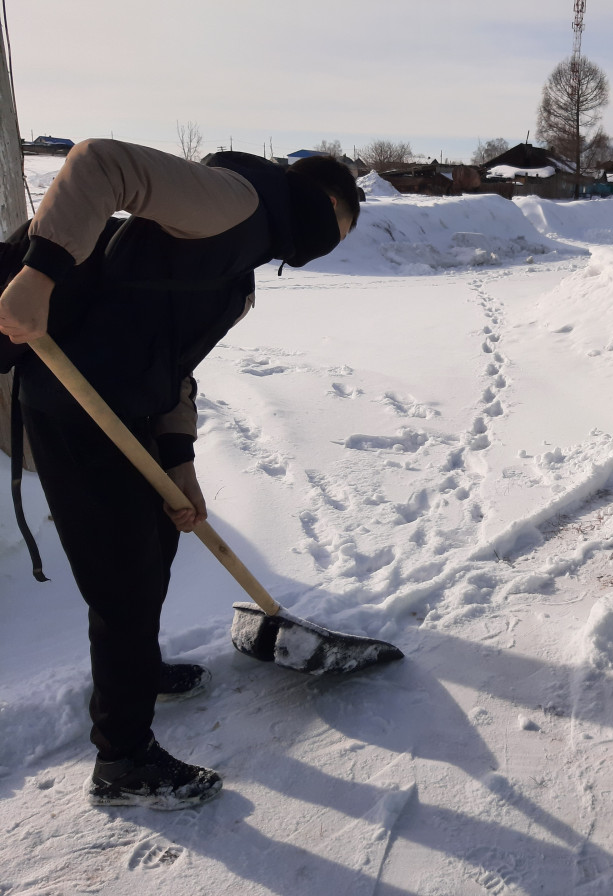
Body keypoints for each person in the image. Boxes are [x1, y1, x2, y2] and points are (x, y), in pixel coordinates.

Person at [0, 139, 359, 809]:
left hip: (124, 404)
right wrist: (38, 273)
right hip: (75, 401)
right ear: (326, 202)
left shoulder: (243, 260)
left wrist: (180, 462)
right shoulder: (237, 200)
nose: (337, 241)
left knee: (154, 543)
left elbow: (172, 364)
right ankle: (123, 760)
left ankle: (137, 669)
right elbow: (99, 163)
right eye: (345, 224)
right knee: (122, 577)